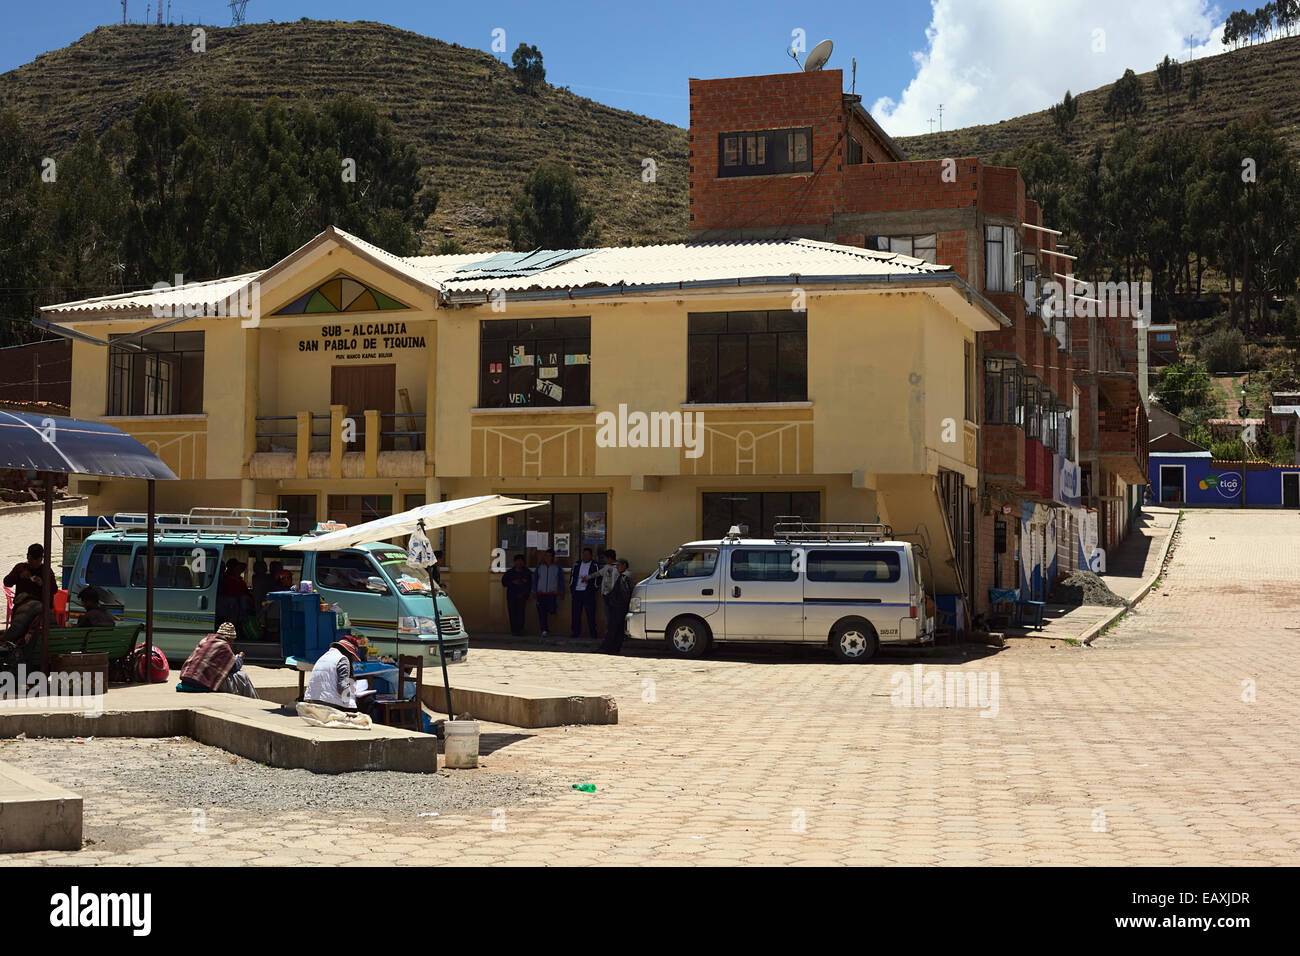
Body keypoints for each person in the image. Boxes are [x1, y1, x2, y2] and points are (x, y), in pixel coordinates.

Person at [178, 622, 258, 698]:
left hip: (186, 679)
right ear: (229, 638)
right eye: (233, 640)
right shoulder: (223, 645)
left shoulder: (205, 640)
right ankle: (255, 701)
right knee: (242, 676)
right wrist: (240, 658)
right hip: (199, 683)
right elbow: (234, 667)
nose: (232, 643)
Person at [4, 543, 56, 653]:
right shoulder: (20, 568)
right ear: (28, 557)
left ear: (41, 558)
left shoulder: (46, 570)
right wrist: (18, 576)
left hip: (40, 609)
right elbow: (7, 582)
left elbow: (54, 590)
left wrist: (43, 584)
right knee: (18, 629)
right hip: (22, 607)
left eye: (38, 560)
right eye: (32, 559)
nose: (35, 563)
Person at [304, 634, 370, 714]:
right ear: (349, 652)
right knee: (368, 701)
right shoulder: (342, 659)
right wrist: (353, 693)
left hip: (313, 700)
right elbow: (342, 689)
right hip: (329, 702)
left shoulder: (324, 656)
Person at [598, 559, 635, 654]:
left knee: (614, 629)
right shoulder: (627, 576)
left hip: (618, 608)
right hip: (620, 607)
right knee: (617, 629)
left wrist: (615, 603)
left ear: (624, 565)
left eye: (618, 565)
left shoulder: (624, 577)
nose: (617, 567)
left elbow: (623, 593)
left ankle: (610, 648)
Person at [586, 548, 618, 638]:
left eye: (605, 558)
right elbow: (598, 574)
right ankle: (609, 632)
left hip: (614, 595)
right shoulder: (606, 567)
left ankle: (615, 633)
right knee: (608, 615)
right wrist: (587, 577)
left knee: (615, 615)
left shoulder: (618, 568)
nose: (604, 560)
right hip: (605, 594)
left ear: (609, 558)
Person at [569, 547, 599, 639]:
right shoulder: (577, 564)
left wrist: (593, 588)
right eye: (584, 554)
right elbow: (572, 576)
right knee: (576, 613)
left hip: (588, 592)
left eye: (587, 555)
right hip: (577, 592)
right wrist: (572, 588)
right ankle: (576, 632)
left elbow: (598, 578)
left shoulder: (594, 565)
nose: (585, 556)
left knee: (590, 614)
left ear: (591, 555)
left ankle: (593, 633)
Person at [501, 554, 532, 636]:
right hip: (511, 596)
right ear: (515, 562)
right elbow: (504, 582)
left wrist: (525, 594)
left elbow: (529, 585)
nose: (519, 563)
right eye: (517, 561)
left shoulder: (527, 572)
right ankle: (514, 630)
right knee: (512, 613)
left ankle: (520, 629)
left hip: (522, 596)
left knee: (521, 614)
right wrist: (512, 582)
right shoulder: (510, 573)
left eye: (521, 561)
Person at [534, 549, 562, 637]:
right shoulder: (539, 567)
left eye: (550, 556)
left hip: (551, 593)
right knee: (542, 612)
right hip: (541, 593)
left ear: (553, 557)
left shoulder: (557, 567)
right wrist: (534, 591)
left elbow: (560, 580)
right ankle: (544, 629)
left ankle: (550, 628)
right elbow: (535, 579)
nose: (547, 558)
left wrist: (561, 591)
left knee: (552, 611)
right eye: (546, 556)